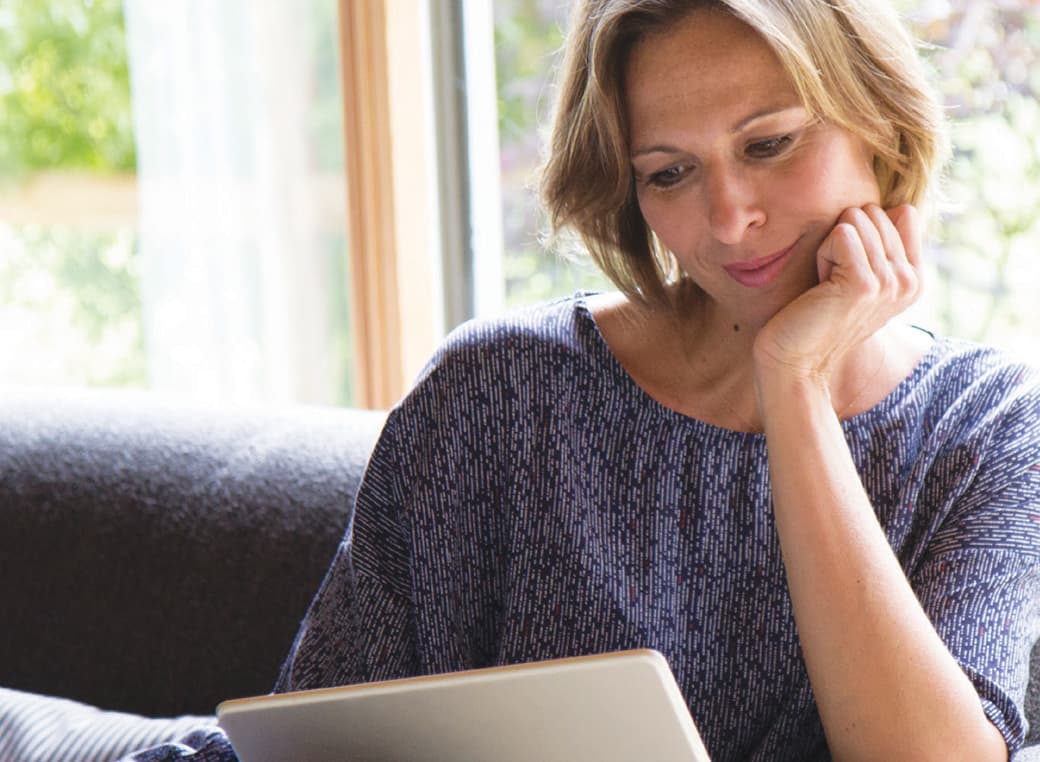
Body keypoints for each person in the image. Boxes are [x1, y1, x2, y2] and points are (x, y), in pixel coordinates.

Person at [125, 0, 1040, 760]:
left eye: (769, 145)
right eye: (670, 173)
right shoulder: (500, 394)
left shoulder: (994, 430)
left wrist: (792, 384)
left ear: (879, 122)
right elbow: (312, 734)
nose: (727, 220)